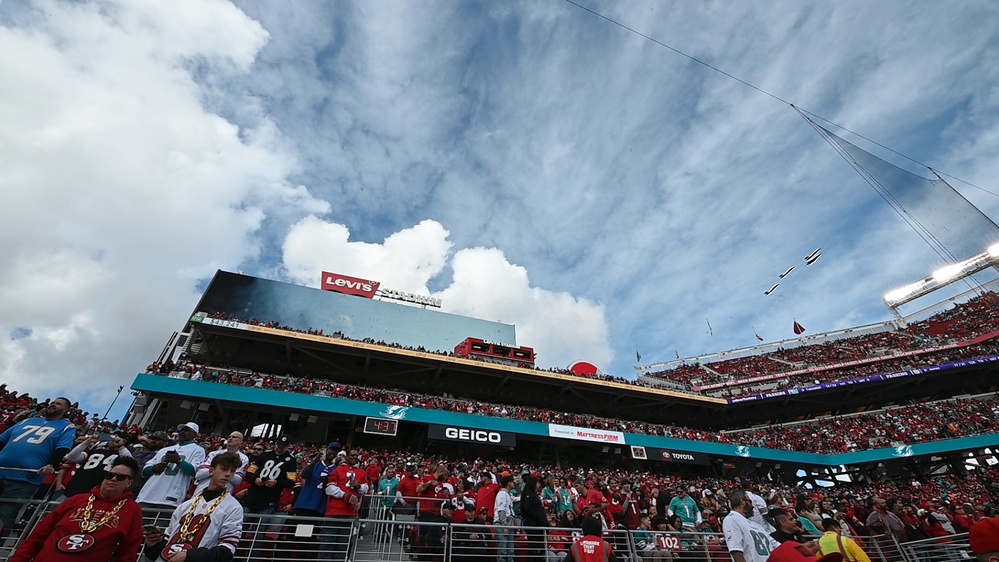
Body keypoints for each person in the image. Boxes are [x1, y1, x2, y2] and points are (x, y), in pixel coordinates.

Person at [9, 456, 144, 562]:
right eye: (110, 475)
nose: (113, 479)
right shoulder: (76, 499)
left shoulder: (132, 510)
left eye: (120, 477)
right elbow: (38, 536)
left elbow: (128, 552)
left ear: (129, 483)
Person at [142, 452, 244, 562]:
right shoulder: (185, 506)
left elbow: (227, 551)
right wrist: (153, 544)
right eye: (224, 469)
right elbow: (166, 546)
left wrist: (189, 556)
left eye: (232, 471)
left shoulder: (234, 508)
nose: (228, 474)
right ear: (211, 471)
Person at [0, 396, 76, 538]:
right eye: (52, 402)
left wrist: (51, 465)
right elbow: (2, 439)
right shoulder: (27, 420)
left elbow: (63, 448)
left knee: (5, 516)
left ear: (65, 410)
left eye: (58, 404)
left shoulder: (67, 427)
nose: (53, 405)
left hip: (24, 478)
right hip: (1, 471)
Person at [135, 422, 207, 508]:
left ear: (194, 434)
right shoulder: (164, 450)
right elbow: (144, 471)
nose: (182, 432)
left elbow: (194, 472)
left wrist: (179, 461)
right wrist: (154, 468)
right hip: (147, 494)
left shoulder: (198, 450)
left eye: (187, 430)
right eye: (181, 430)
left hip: (170, 498)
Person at [323, 448, 369, 561]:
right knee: (327, 545)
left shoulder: (362, 473)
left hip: (350, 514)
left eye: (356, 456)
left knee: (343, 546)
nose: (354, 457)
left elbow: (366, 489)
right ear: (347, 456)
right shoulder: (338, 470)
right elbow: (329, 488)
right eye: (352, 455)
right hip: (333, 512)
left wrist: (358, 486)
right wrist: (344, 495)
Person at [61, 431, 133, 499]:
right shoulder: (95, 451)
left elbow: (130, 463)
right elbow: (71, 457)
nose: (113, 440)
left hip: (97, 493)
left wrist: (120, 446)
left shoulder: (121, 456)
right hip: (75, 488)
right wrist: (86, 442)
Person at [723, 490, 780, 562]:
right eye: (750, 501)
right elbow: (736, 551)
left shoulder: (756, 525)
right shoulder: (731, 519)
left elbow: (776, 545)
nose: (752, 506)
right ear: (742, 502)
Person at [192, 431, 248, 496]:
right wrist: (227, 473)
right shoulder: (214, 454)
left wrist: (214, 471)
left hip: (222, 495)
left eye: (234, 437)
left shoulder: (244, 458)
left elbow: (238, 480)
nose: (230, 438)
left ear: (241, 442)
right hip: (202, 490)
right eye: (229, 437)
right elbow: (199, 474)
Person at [494, 474, 517, 562]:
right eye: (512, 481)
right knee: (503, 551)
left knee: (510, 551)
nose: (513, 483)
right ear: (508, 483)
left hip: (509, 523)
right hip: (503, 523)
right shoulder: (502, 493)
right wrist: (505, 525)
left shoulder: (508, 494)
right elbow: (501, 510)